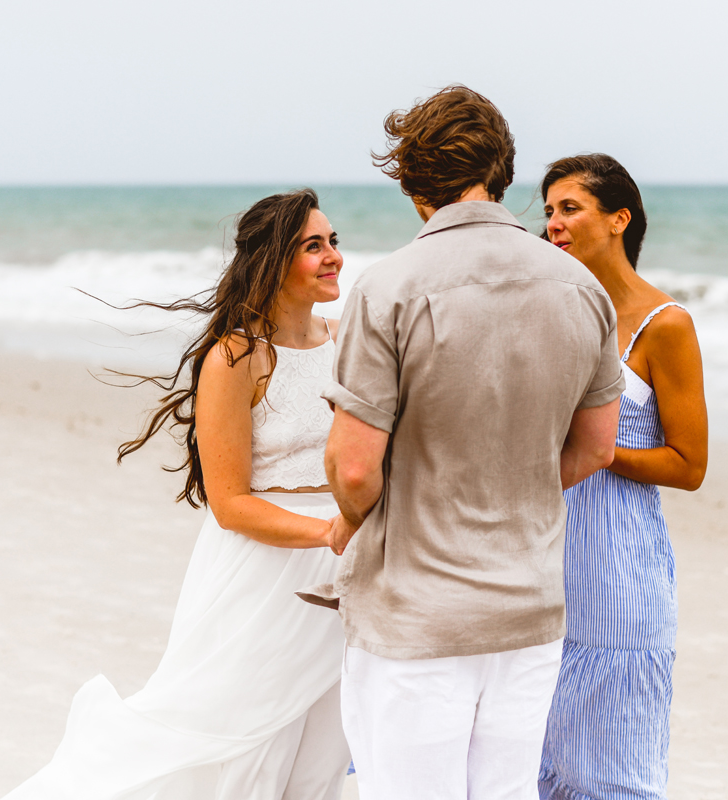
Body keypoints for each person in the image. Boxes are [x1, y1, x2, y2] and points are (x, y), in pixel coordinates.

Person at [296, 86, 626, 800]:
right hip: (530, 607)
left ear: (414, 183)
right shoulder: (580, 288)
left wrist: (346, 526)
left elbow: (354, 471)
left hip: (417, 615)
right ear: (502, 169)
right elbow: (597, 449)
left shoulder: (387, 289)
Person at [3, 189, 354, 800]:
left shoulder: (348, 338)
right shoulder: (235, 357)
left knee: (323, 757)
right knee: (241, 749)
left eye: (334, 242)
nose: (334, 257)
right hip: (263, 574)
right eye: (313, 246)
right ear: (273, 261)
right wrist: (327, 532)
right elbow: (229, 503)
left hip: (344, 574)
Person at [536, 154, 708, 800]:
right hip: (544, 576)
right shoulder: (555, 314)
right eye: (549, 210)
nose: (553, 223)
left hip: (620, 583)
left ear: (618, 219)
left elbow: (690, 465)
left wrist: (601, 451)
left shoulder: (666, 327)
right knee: (540, 773)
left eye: (569, 208)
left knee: (615, 778)